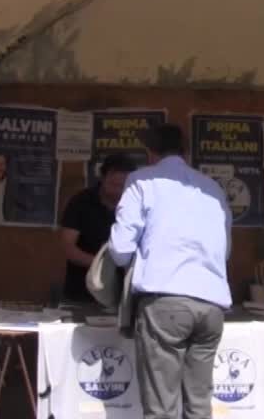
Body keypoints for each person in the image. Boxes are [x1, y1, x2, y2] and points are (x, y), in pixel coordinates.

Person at [108, 123, 232, 419]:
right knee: (199, 406)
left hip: (166, 302)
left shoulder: (142, 181)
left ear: (150, 153)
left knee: (162, 409)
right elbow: (224, 251)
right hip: (212, 305)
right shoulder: (213, 188)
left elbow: (120, 249)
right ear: (185, 151)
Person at [59, 154, 136, 303]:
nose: (118, 191)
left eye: (123, 186)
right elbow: (68, 247)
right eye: (113, 184)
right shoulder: (81, 202)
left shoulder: (135, 205)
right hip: (82, 290)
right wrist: (101, 265)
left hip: (122, 293)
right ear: (102, 178)